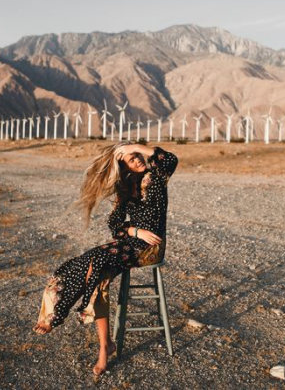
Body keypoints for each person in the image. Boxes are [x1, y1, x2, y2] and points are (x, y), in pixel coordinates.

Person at [33, 141, 178, 377]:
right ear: (124, 166)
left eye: (137, 155)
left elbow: (170, 158)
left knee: (98, 264)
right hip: (131, 242)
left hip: (150, 248)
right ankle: (104, 346)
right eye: (132, 158)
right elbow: (114, 225)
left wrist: (135, 145)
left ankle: (60, 315)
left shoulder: (157, 175)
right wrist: (134, 231)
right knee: (87, 265)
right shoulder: (126, 187)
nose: (138, 159)